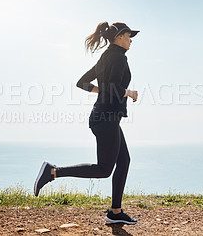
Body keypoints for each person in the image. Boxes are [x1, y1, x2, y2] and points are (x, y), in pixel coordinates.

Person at [34, 22, 139, 225]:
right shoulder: (117, 57)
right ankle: (52, 172)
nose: (131, 39)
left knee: (124, 161)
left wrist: (104, 91)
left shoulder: (106, 57)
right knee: (104, 169)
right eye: (128, 35)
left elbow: (82, 83)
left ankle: (115, 212)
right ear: (118, 37)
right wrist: (127, 92)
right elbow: (112, 86)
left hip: (105, 117)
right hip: (106, 118)